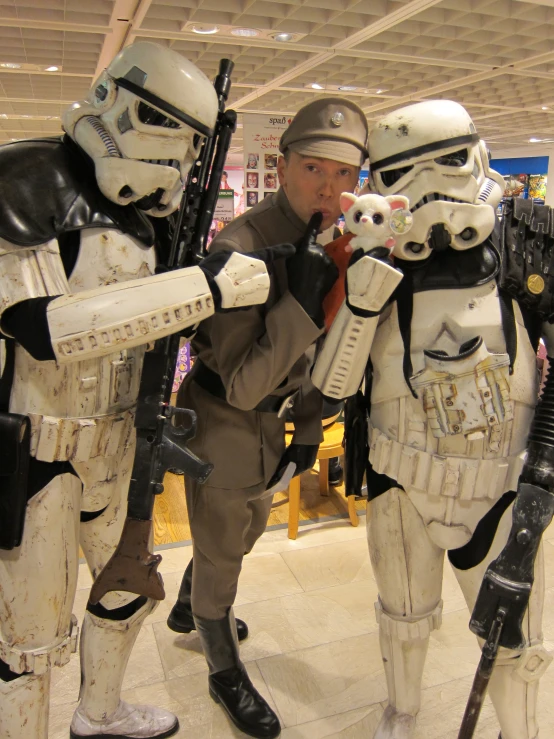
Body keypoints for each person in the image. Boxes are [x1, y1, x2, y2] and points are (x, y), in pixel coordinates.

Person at [0, 41, 294, 739]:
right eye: (172, 135)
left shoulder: (157, 218)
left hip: (122, 440)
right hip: (41, 445)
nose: (178, 160)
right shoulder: (25, 178)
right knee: (31, 631)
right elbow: (35, 326)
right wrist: (198, 288)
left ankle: (100, 712)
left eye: (192, 147)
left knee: (128, 591)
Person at [312, 99, 553, 739]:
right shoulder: (364, 252)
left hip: (504, 481)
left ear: (476, 157)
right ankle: (403, 715)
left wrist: (546, 469)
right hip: (399, 475)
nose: (433, 188)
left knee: (517, 640)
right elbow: (331, 385)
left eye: (447, 162)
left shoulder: (527, 237)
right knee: (403, 620)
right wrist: (364, 299)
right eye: (405, 173)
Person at [167, 97, 369, 738]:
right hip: (226, 420)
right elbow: (248, 381)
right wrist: (303, 303)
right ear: (282, 166)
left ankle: (189, 606)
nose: (330, 189)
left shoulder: (334, 241)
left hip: (277, 418)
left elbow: (322, 356)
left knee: (247, 526)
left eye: (345, 176)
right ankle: (222, 666)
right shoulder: (242, 247)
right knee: (227, 549)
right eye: (315, 168)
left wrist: (309, 429)